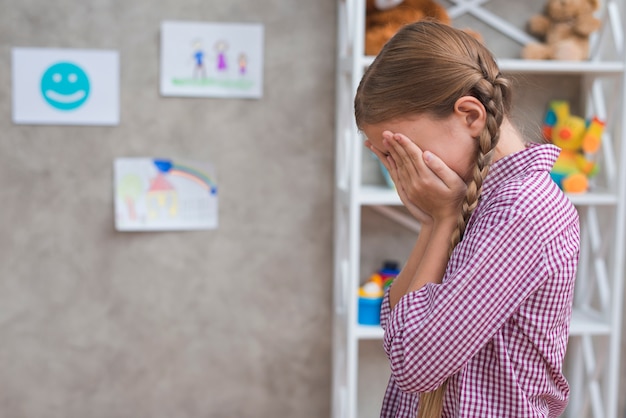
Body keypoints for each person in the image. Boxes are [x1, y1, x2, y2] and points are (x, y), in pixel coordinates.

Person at [354, 21, 580, 418]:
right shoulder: (473, 199)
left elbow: (414, 365)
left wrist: (442, 221)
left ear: (471, 116)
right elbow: (397, 325)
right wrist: (432, 223)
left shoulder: (521, 211)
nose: (403, 172)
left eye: (407, 153)